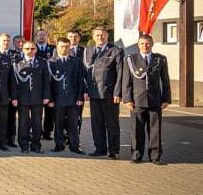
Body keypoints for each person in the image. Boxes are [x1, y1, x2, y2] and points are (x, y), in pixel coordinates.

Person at [123, 34, 171, 164]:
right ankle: (136, 156)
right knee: (137, 130)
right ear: (138, 45)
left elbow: (165, 80)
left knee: (155, 130)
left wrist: (166, 99)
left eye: (147, 43)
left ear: (152, 44)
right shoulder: (131, 59)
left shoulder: (160, 59)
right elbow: (126, 81)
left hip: (155, 101)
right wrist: (127, 99)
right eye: (142, 44)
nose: (145, 46)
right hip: (137, 101)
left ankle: (155, 156)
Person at [82, 26, 124, 159]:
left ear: (107, 36)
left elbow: (120, 73)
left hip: (109, 94)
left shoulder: (115, 51)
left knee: (111, 123)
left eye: (103, 35)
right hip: (94, 93)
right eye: (97, 35)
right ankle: (99, 148)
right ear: (93, 37)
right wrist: (86, 90)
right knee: (96, 123)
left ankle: (113, 151)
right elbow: (85, 72)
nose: (100, 37)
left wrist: (118, 93)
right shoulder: (88, 50)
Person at [11, 41, 51, 154]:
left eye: (32, 48)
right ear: (23, 49)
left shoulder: (42, 62)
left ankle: (36, 146)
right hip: (22, 98)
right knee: (23, 123)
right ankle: (24, 146)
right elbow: (14, 82)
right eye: (27, 48)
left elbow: (46, 81)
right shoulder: (17, 63)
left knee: (37, 123)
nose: (30, 51)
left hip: (38, 98)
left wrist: (47, 96)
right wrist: (14, 97)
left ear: (36, 50)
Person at [47, 38, 85, 154]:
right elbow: (48, 83)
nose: (64, 49)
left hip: (73, 99)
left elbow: (80, 80)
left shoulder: (76, 61)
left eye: (67, 47)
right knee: (58, 123)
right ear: (57, 47)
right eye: (62, 46)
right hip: (57, 99)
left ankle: (75, 146)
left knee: (73, 124)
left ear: (70, 47)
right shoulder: (50, 62)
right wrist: (50, 99)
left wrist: (80, 97)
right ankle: (59, 145)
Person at [0, 32, 19, 148]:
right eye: (4, 40)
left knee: (12, 117)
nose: (6, 43)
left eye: (8, 41)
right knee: (0, 117)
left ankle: (11, 139)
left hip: (12, 90)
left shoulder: (15, 54)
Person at [35, 29, 56, 140]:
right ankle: (36, 131)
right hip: (37, 84)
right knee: (36, 111)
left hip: (50, 83)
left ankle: (47, 132)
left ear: (47, 36)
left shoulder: (53, 49)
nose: (42, 37)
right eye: (40, 35)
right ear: (36, 37)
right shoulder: (32, 48)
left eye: (44, 35)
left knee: (50, 111)